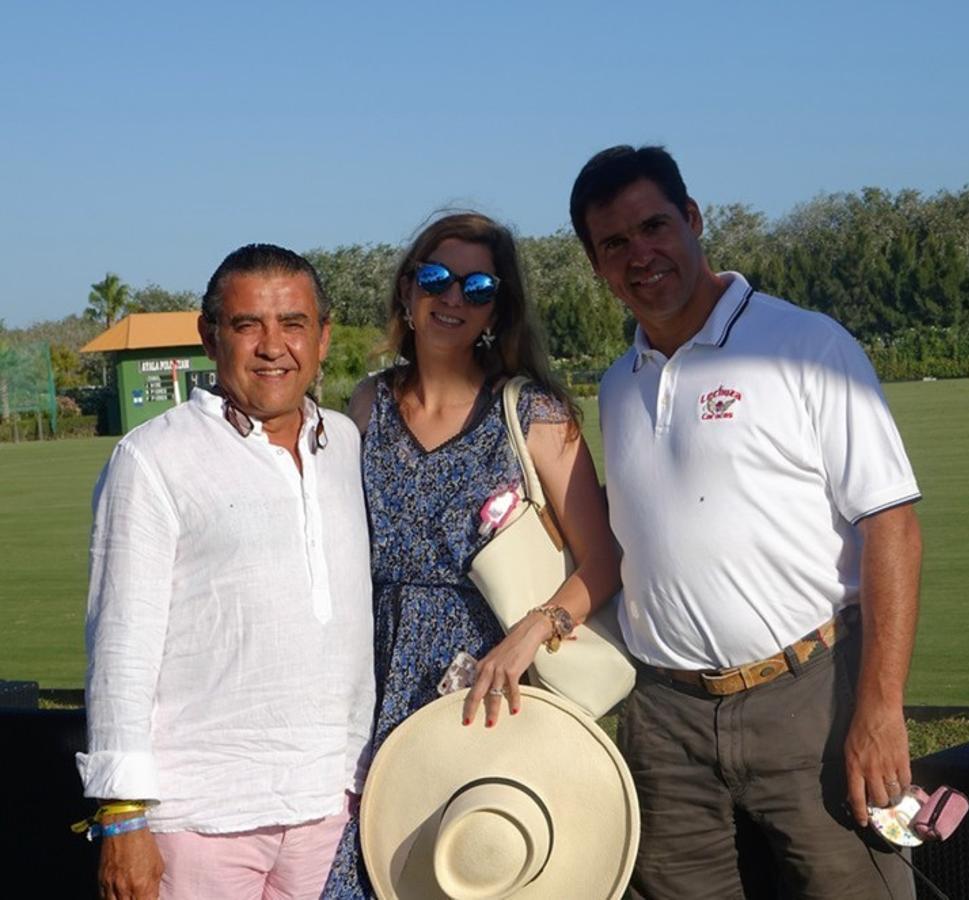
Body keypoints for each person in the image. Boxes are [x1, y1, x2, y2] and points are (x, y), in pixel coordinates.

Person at [569, 145, 923, 899]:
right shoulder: (617, 385)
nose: (642, 254)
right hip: (664, 722)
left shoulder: (806, 344)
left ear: (694, 220)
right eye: (615, 244)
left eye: (655, 226)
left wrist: (879, 708)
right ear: (597, 265)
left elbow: (891, 525)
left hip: (807, 705)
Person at [320, 212, 621, 898]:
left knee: (471, 868)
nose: (453, 298)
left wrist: (531, 633)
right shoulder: (367, 406)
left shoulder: (533, 414)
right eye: (436, 278)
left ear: (498, 308)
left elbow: (601, 559)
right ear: (406, 291)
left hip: (488, 685)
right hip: (369, 685)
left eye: (478, 286)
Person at [76, 244, 375, 900]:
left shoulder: (347, 444)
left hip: (332, 802)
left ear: (322, 337)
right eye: (248, 325)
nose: (273, 347)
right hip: (199, 817)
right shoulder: (153, 458)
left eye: (293, 324)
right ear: (209, 337)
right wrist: (122, 816)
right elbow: (120, 649)